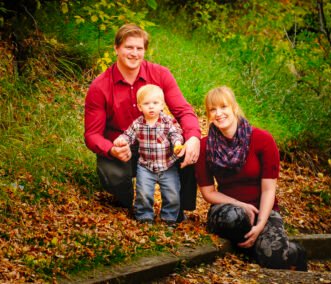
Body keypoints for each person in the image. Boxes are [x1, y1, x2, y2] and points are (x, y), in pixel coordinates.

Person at [84, 24, 200, 215]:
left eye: (139, 48)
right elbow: (92, 134)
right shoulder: (100, 86)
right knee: (114, 176)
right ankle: (129, 203)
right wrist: (111, 150)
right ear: (116, 48)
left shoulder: (160, 74)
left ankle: (179, 207)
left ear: (145, 50)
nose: (134, 53)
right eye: (129, 47)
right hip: (123, 146)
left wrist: (194, 137)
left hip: (160, 142)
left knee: (192, 145)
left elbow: (184, 111)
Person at [195, 86, 307, 271]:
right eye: (213, 109)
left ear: (234, 107)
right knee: (234, 217)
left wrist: (261, 223)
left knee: (275, 259)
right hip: (228, 210)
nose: (219, 113)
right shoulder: (205, 145)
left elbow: (268, 189)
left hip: (264, 210)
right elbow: (208, 192)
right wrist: (241, 205)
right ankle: (255, 245)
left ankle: (294, 251)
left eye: (223, 107)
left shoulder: (263, 139)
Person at [113, 84, 184, 224]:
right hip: (145, 166)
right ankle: (144, 215)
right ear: (140, 107)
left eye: (155, 103)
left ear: (162, 105)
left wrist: (177, 144)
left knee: (172, 193)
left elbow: (176, 133)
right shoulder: (138, 124)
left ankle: (169, 217)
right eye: (146, 104)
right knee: (143, 193)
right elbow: (129, 135)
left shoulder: (167, 121)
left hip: (167, 165)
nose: (151, 107)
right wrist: (121, 140)